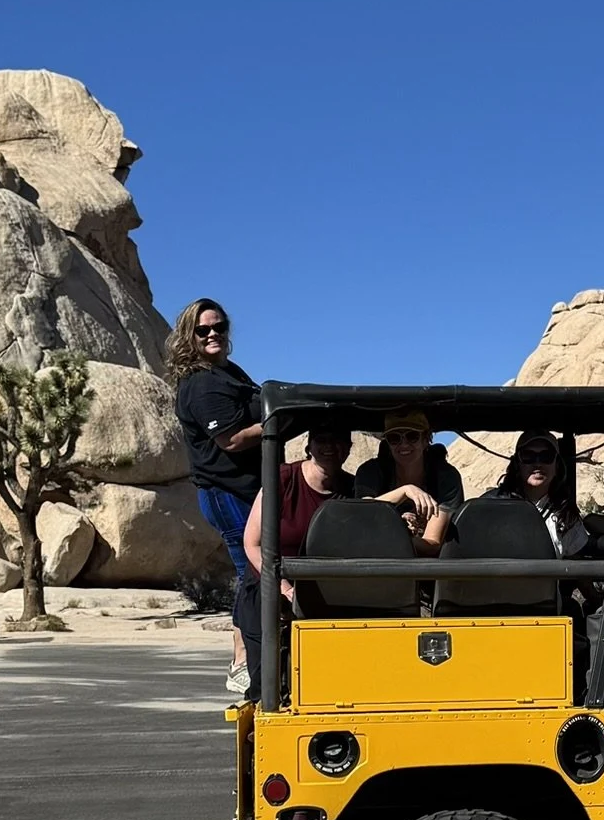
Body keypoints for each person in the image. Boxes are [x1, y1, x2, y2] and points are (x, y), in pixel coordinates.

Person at [169, 298, 262, 694]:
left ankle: (252, 654)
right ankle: (242, 659)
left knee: (256, 572)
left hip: (246, 490)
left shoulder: (228, 373)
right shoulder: (203, 383)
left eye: (219, 327)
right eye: (203, 330)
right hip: (227, 492)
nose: (213, 335)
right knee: (252, 572)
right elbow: (231, 439)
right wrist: (284, 421)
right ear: (189, 336)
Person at [239, 427, 355, 702]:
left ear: (349, 448)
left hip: (324, 594)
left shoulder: (353, 488)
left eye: (338, 440)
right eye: (322, 439)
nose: (330, 447)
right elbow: (252, 544)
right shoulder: (283, 479)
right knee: (268, 682)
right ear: (309, 445)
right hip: (270, 586)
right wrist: (284, 588)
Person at [354, 409, 462, 554]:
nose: (403, 444)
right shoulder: (371, 472)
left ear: (426, 440)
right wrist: (405, 491)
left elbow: (432, 543)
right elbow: (361, 513)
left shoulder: (445, 476)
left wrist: (399, 535)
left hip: (426, 566)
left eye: (412, 436)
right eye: (394, 438)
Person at [484, 430, 593, 557]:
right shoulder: (491, 504)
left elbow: (577, 564)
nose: (538, 463)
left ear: (557, 465)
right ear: (517, 464)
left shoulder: (566, 515)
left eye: (546, 456)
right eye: (528, 456)